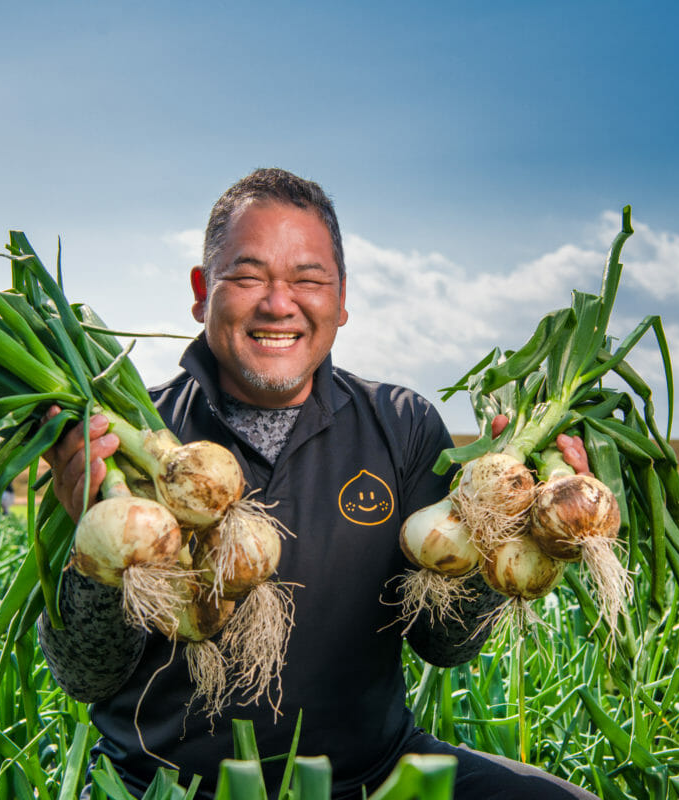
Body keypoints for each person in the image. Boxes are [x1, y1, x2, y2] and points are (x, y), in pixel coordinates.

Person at [38, 168, 598, 800]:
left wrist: (507, 537)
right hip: (162, 788)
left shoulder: (403, 424)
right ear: (201, 292)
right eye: (248, 276)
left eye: (308, 279)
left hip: (374, 776)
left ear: (341, 296)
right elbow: (84, 674)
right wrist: (97, 553)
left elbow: (445, 645)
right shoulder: (112, 447)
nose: (280, 304)